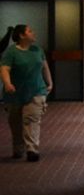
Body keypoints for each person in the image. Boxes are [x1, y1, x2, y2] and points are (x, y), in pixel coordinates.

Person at [1, 23, 52, 161]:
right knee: (15, 122)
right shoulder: (11, 52)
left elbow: (44, 67)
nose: (33, 33)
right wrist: (7, 83)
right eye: (30, 31)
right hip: (15, 94)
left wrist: (49, 82)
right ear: (22, 35)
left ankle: (32, 149)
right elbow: (4, 69)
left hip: (36, 90)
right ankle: (18, 148)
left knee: (31, 120)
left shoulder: (38, 50)